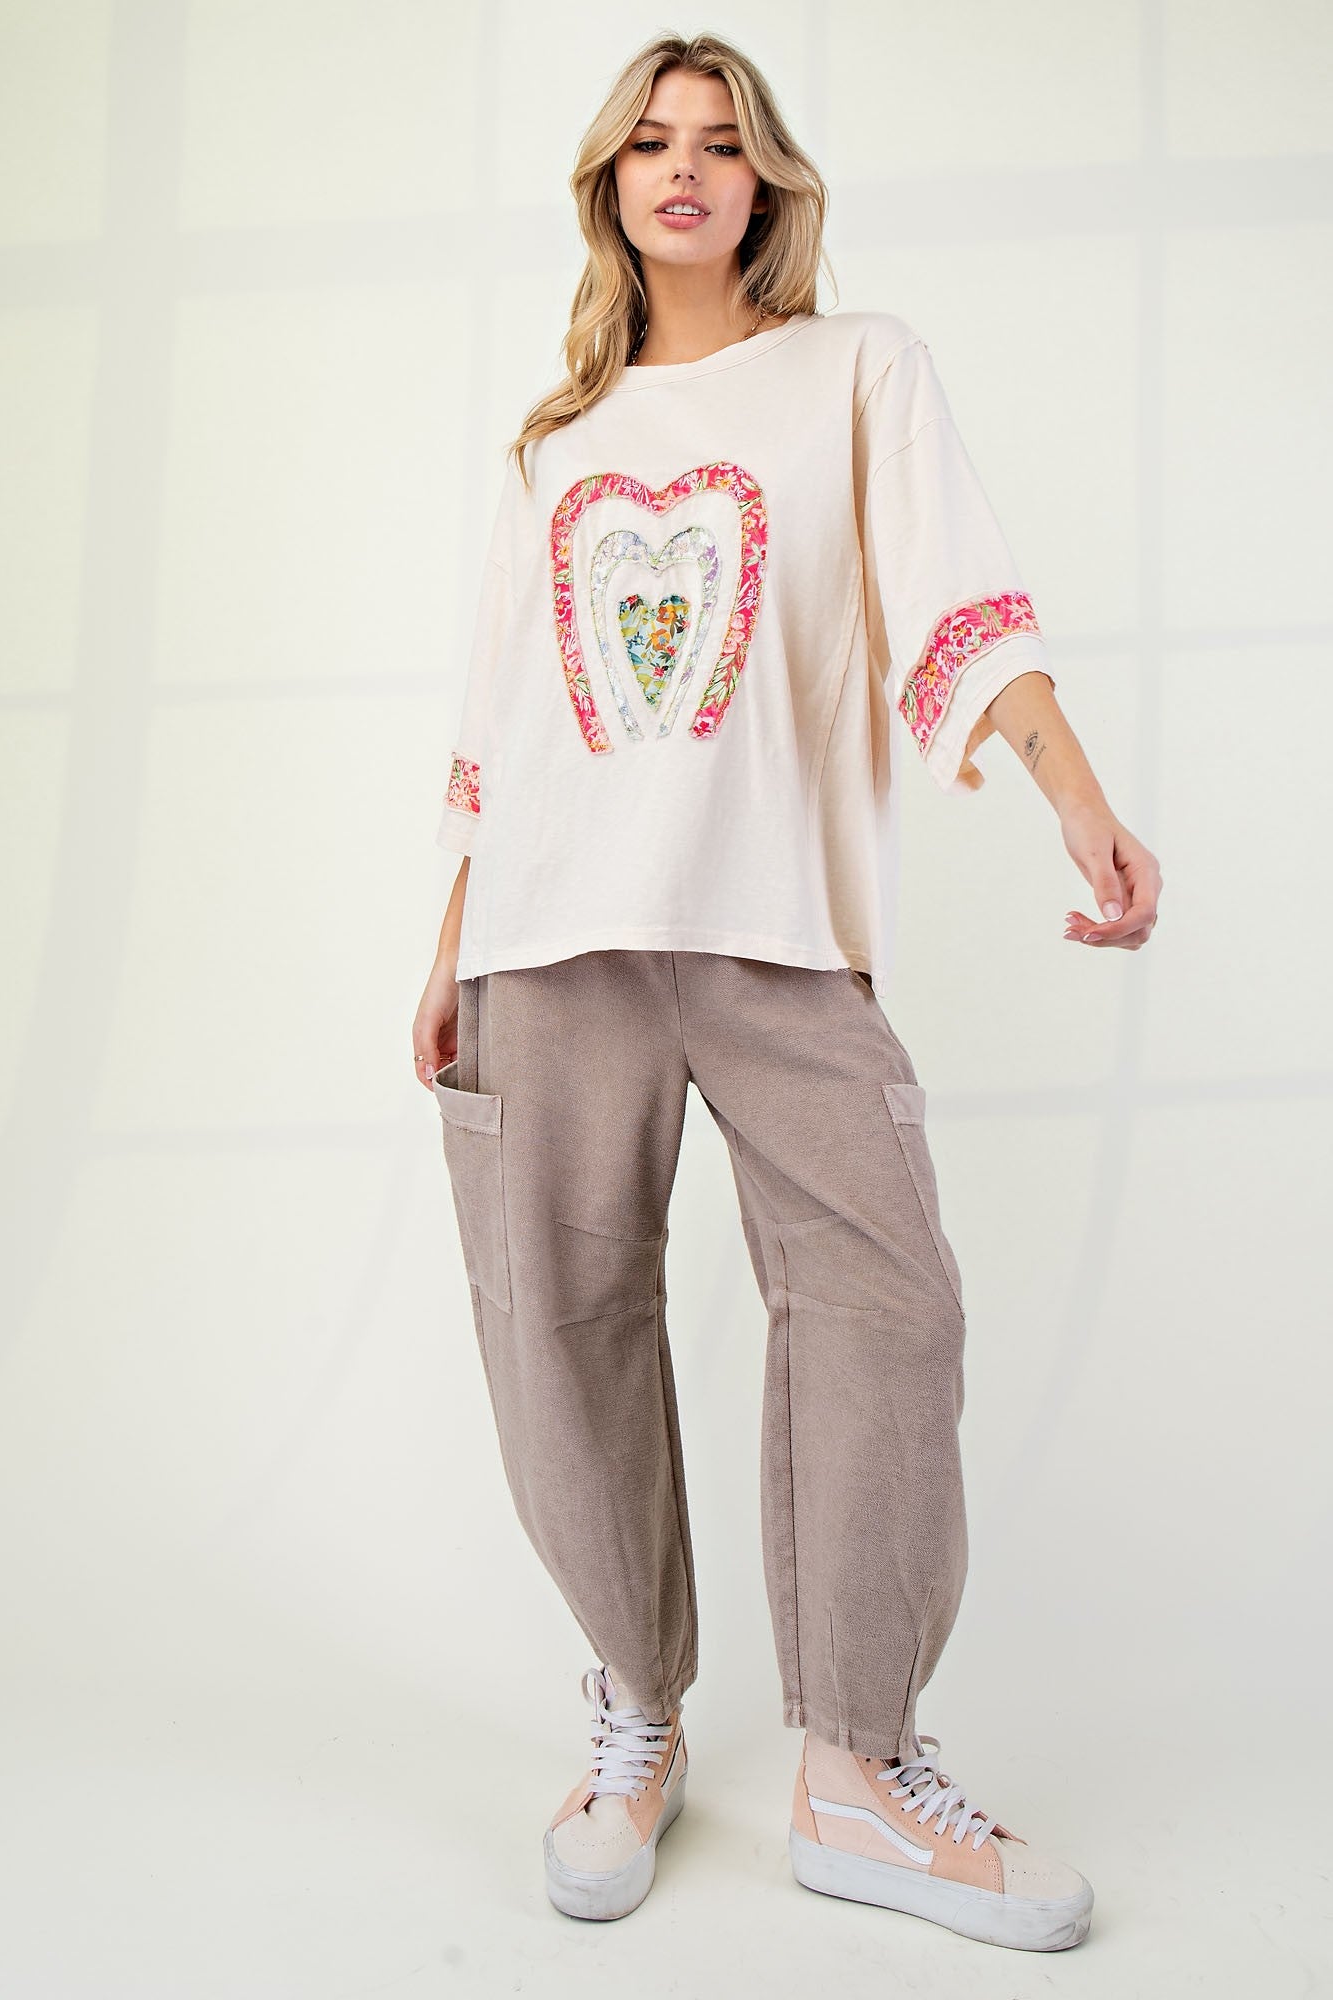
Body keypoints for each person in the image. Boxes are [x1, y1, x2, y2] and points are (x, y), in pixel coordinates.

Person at [411, 29, 1160, 1954]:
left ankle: (857, 1763)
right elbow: (500, 720)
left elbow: (959, 599)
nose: (684, 167)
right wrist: (447, 944)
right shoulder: (555, 442)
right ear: (609, 181)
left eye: (720, 142)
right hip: (548, 941)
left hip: (777, 931)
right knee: (559, 1318)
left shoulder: (855, 371)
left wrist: (1074, 797)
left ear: (765, 184)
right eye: (651, 141)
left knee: (889, 1306)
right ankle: (634, 1712)